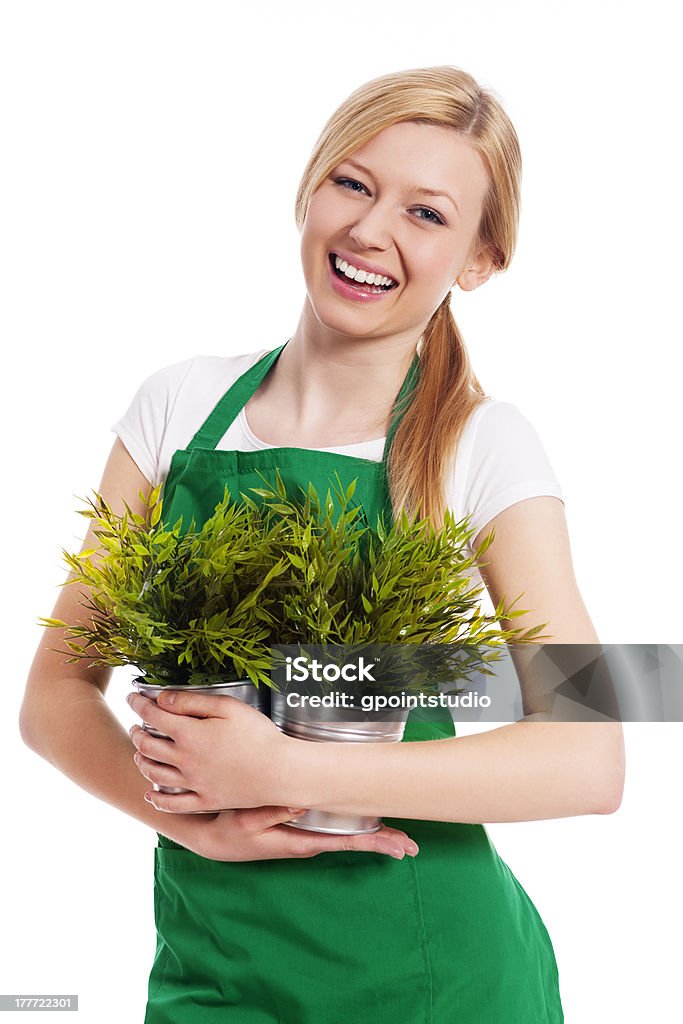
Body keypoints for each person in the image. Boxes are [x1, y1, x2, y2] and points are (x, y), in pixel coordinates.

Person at [20, 65, 625, 1023]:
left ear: (478, 259)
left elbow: (588, 754)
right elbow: (53, 696)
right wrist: (195, 826)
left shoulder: (481, 442)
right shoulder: (178, 409)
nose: (370, 230)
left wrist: (292, 769)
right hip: (212, 964)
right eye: (353, 183)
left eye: (426, 214)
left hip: (428, 972)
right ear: (308, 190)